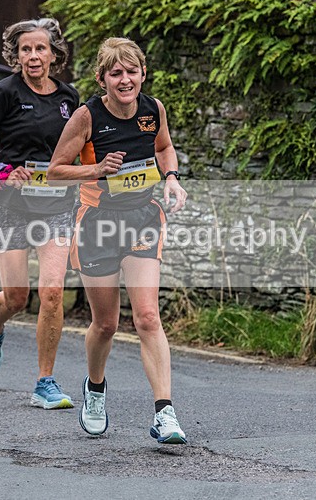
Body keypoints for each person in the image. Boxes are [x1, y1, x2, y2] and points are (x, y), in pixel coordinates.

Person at [47, 37, 188, 443]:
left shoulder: (153, 109)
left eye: (131, 71)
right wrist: (96, 171)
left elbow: (164, 148)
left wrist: (173, 179)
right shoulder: (86, 117)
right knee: (106, 324)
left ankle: (165, 413)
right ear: (102, 78)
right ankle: (94, 389)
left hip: (143, 217)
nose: (125, 80)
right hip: (97, 223)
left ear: (143, 73)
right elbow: (56, 170)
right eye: (116, 73)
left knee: (147, 316)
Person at [0, 18, 79, 409]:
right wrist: (1, 170)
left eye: (40, 48)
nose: (33, 56)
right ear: (17, 54)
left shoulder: (68, 98)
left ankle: (45, 382)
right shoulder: (4, 92)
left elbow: (79, 149)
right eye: (26, 49)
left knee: (51, 293)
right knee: (16, 297)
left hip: (57, 204)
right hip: (10, 206)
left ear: (53, 53)